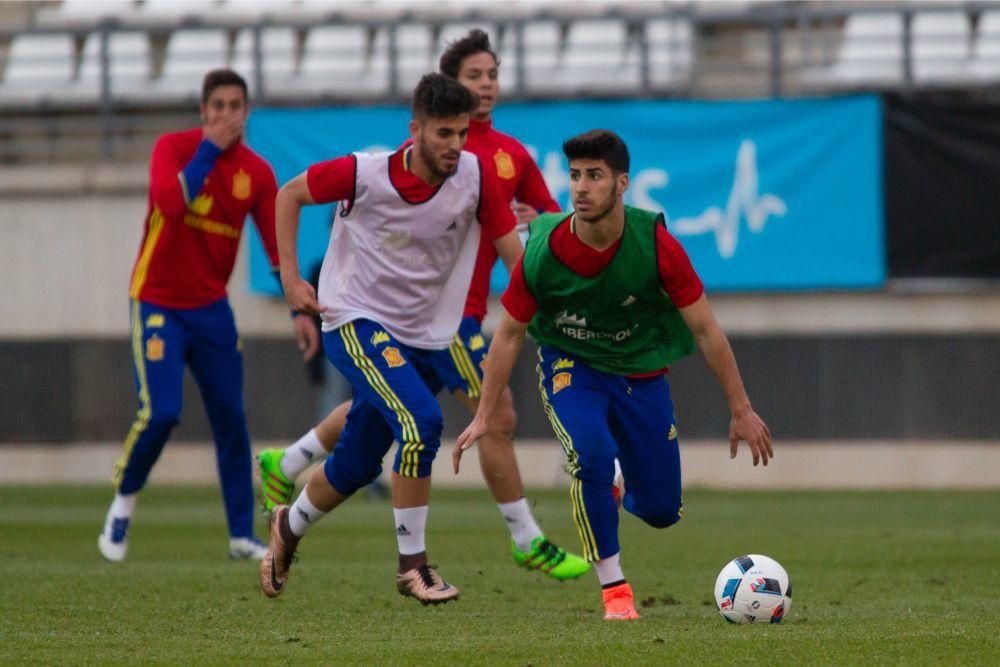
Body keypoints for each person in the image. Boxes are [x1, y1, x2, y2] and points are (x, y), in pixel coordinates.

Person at [256, 30, 588, 580]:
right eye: (473, 77)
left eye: (492, 75)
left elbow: (526, 243)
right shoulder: (372, 171)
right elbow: (289, 193)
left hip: (434, 324)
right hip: (378, 318)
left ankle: (288, 507)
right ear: (423, 121)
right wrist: (291, 280)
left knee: (366, 448)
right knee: (435, 416)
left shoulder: (492, 167)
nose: (484, 88)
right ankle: (442, 559)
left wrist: (549, 291)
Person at [456, 129, 774, 621]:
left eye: (595, 176)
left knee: (663, 511)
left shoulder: (657, 245)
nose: (581, 188)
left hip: (640, 372)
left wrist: (742, 408)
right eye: (576, 176)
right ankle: (615, 588)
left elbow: (707, 330)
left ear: (623, 183)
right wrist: (482, 415)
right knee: (591, 454)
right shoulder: (542, 252)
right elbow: (510, 334)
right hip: (570, 364)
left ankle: (622, 485)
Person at [97, 69, 319, 563]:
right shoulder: (174, 149)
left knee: (231, 420)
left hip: (211, 311)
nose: (225, 114)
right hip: (156, 300)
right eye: (216, 105)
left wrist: (296, 311)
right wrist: (208, 152)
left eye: (235, 105)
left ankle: (242, 534)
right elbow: (171, 206)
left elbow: (272, 245)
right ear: (203, 111)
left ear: (246, 112)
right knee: (162, 412)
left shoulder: (256, 173)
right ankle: (123, 502)